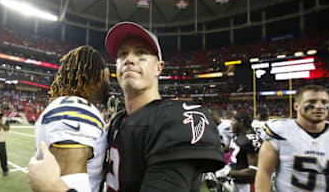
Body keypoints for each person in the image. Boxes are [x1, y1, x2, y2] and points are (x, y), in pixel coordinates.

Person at [28, 22, 225, 192]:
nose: (129, 60)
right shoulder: (117, 123)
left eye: (141, 53)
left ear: (159, 67)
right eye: (122, 55)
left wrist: (53, 187)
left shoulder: (175, 120)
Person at [28, 45, 110, 192]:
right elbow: (68, 183)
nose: (109, 84)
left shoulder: (65, 106)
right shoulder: (77, 112)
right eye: (107, 77)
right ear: (95, 80)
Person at [255, 85, 329, 192]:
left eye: (324, 102)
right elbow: (264, 172)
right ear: (296, 106)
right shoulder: (281, 132)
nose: (319, 106)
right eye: (312, 102)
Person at [215, 111, 262, 192]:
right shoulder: (237, 135)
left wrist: (229, 172)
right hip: (236, 181)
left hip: (248, 184)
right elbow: (229, 149)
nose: (231, 124)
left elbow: (253, 171)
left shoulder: (250, 140)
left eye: (233, 121)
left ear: (241, 123)